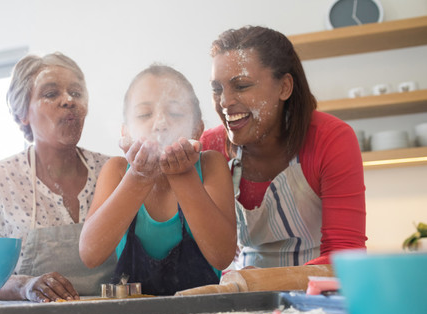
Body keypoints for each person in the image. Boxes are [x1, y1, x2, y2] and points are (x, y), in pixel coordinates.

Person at [201, 26, 367, 268]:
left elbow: (345, 255)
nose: (224, 101)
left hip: (317, 295)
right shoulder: (210, 147)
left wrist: (263, 283)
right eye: (217, 89)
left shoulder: (331, 139)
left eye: (242, 85)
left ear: (284, 87)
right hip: (241, 294)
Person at [0, 52, 116, 302]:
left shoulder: (112, 171)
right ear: (23, 113)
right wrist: (23, 286)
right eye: (51, 94)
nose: (69, 100)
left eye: (76, 92)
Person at [79, 65, 237, 295]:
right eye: (144, 114)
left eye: (175, 113)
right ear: (125, 133)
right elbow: (90, 255)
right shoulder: (118, 171)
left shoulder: (211, 166)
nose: (160, 124)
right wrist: (139, 177)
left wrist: (182, 174)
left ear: (197, 129)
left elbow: (222, 256)